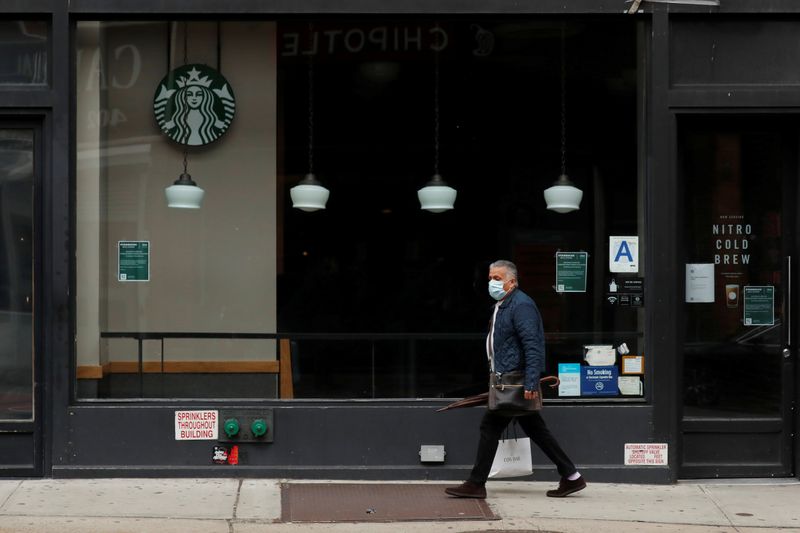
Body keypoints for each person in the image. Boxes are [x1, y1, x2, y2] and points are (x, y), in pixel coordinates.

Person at [445, 259, 586, 499]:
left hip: (515, 381)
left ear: (512, 282)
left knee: (490, 426)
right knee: (535, 428)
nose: (492, 282)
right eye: (490, 278)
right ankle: (572, 476)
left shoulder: (521, 306)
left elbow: (533, 346)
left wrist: (532, 382)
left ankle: (476, 483)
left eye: (497, 279)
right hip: (506, 379)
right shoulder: (503, 304)